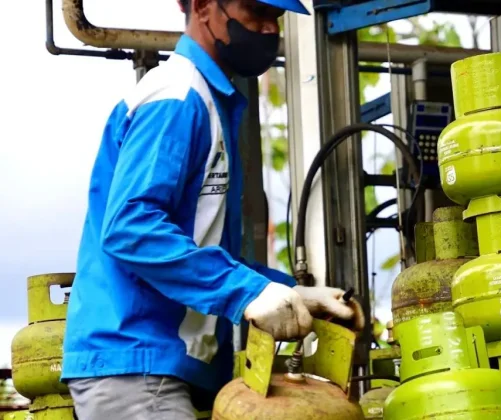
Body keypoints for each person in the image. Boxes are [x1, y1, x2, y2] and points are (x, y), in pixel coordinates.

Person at [61, 0, 365, 418]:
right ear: (204, 6)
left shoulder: (208, 100)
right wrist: (247, 292)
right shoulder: (176, 97)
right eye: (255, 11)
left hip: (169, 365)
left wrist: (290, 293)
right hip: (137, 361)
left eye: (274, 18)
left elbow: (203, 249)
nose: (267, 28)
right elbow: (131, 227)